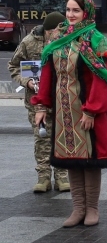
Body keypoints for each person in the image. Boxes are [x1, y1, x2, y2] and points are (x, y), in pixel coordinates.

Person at [32, 0, 107, 227]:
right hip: (64, 112)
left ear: (87, 13)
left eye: (76, 10)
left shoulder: (96, 39)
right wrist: (41, 105)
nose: (71, 15)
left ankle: (92, 209)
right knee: (71, 159)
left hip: (86, 111)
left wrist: (91, 110)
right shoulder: (58, 37)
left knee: (90, 159)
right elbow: (47, 73)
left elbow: (101, 79)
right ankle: (78, 209)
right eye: (68, 10)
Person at [8, 11, 67, 192]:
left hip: (60, 100)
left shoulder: (65, 42)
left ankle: (62, 177)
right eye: (57, 30)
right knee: (42, 139)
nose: (60, 33)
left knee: (61, 138)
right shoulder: (29, 42)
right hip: (36, 101)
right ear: (48, 30)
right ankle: (43, 178)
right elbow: (14, 66)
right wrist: (27, 82)